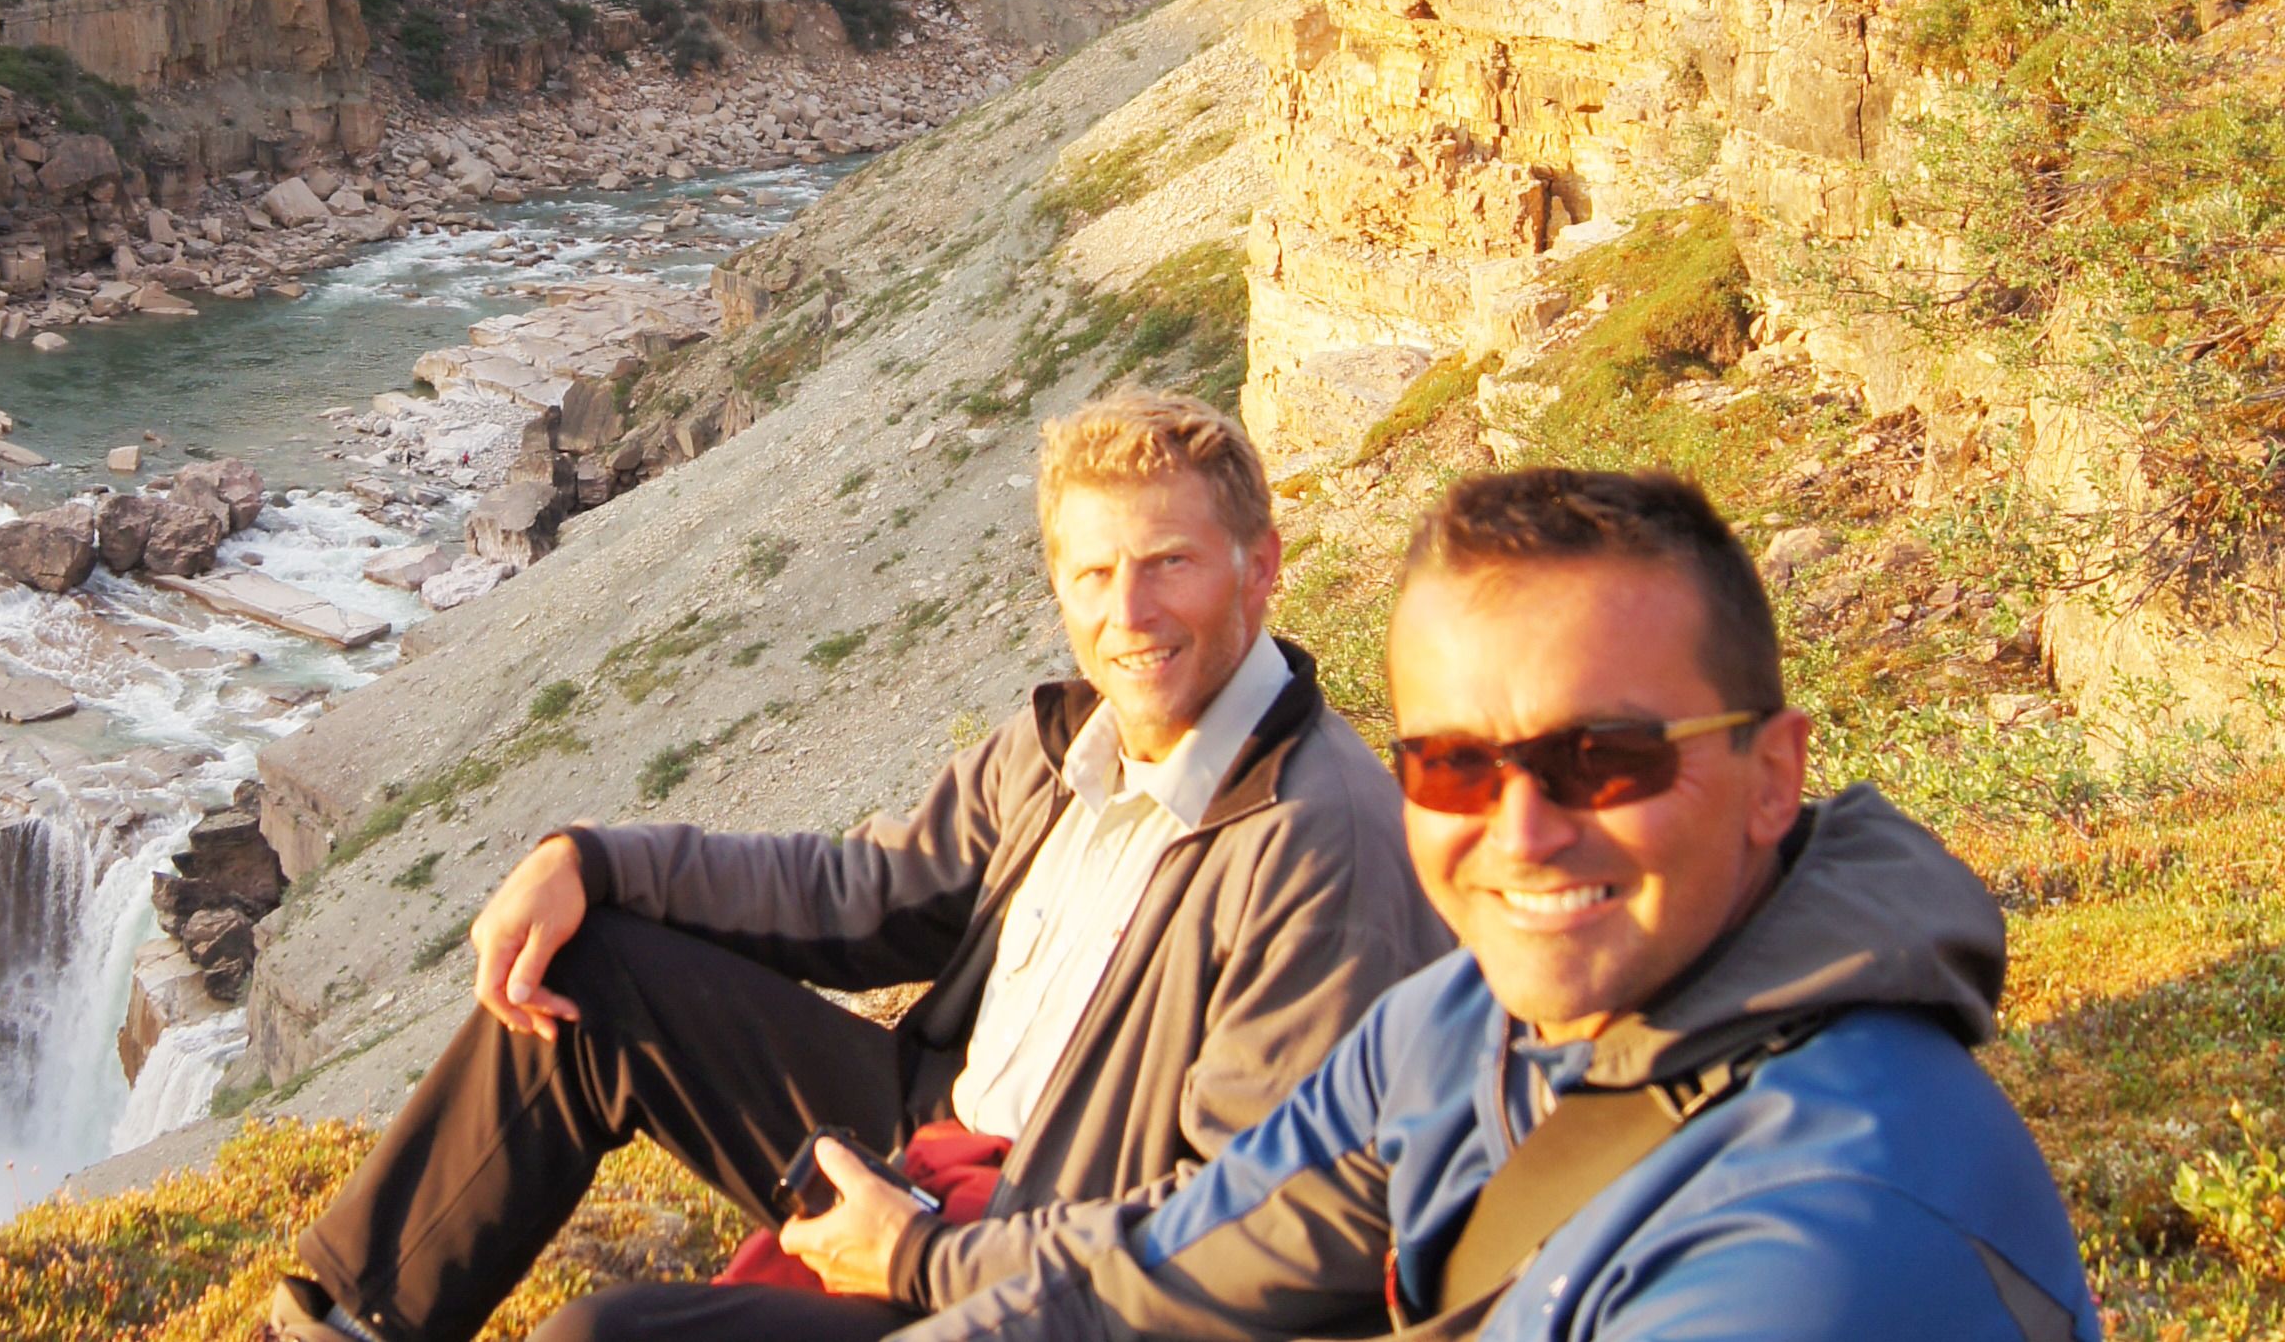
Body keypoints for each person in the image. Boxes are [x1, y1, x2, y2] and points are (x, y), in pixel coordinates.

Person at [816, 467, 2095, 1342]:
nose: (1523, 834)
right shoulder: (1454, 1029)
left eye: (1608, 759)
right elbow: (1175, 1258)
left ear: (1773, 778)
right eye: (1455, 766)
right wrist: (936, 1275)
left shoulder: (1828, 1240)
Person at [269, 395, 1447, 1342]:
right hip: (935, 1137)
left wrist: (924, 1256)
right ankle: (339, 1326)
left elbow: (1255, 1231)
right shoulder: (1067, 746)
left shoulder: (1314, 842)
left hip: (1043, 1246)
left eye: (1170, 563)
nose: (1127, 613)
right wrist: (591, 858)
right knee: (594, 987)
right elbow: (857, 898)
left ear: (1260, 568)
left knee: (603, 1333)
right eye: (1093, 575)